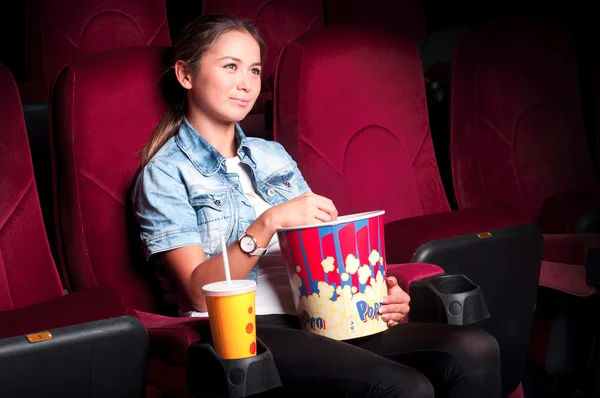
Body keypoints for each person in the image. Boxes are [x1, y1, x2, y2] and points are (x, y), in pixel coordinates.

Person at [132, 14, 501, 398]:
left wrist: (377, 293)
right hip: (246, 331)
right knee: (408, 387)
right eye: (230, 67)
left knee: (475, 350)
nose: (245, 84)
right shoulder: (164, 173)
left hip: (319, 312)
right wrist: (268, 222)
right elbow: (196, 290)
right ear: (185, 75)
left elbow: (329, 253)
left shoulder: (271, 155)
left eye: (255, 70)